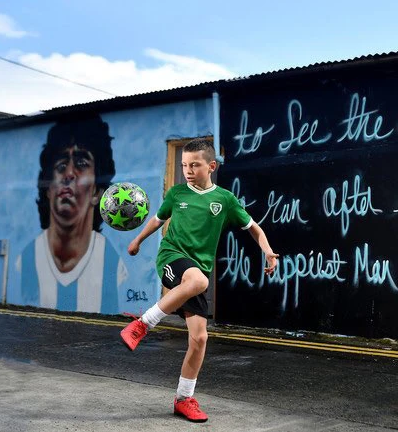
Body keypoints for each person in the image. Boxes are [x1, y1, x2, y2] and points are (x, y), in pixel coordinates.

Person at [121, 138, 277, 423]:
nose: (188, 171)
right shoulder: (176, 193)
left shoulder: (225, 200)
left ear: (211, 166)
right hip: (172, 257)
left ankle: (183, 399)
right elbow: (157, 220)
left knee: (200, 338)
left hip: (196, 270)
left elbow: (254, 228)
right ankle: (143, 324)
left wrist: (267, 251)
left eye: (194, 165)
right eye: (184, 165)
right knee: (199, 282)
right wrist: (138, 240)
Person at [17, 114, 127, 314]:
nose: (68, 174)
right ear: (48, 189)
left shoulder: (112, 264)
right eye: (61, 165)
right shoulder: (26, 260)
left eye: (81, 163)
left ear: (97, 192)